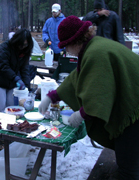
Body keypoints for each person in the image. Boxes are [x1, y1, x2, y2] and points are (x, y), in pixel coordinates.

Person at [39, 15, 139, 179]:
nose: (66, 50)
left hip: (134, 109)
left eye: (66, 46)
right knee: (127, 159)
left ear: (74, 42)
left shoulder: (96, 53)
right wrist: (52, 96)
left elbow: (100, 93)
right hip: (134, 102)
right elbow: (76, 77)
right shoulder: (93, 46)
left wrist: (82, 114)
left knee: (129, 167)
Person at [0, 28, 33, 112]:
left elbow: (24, 69)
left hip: (12, 83)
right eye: (21, 44)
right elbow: (3, 66)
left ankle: (10, 124)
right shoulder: (4, 48)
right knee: (0, 107)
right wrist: (16, 78)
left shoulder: (25, 51)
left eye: (25, 45)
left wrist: (27, 86)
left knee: (12, 108)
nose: (22, 47)